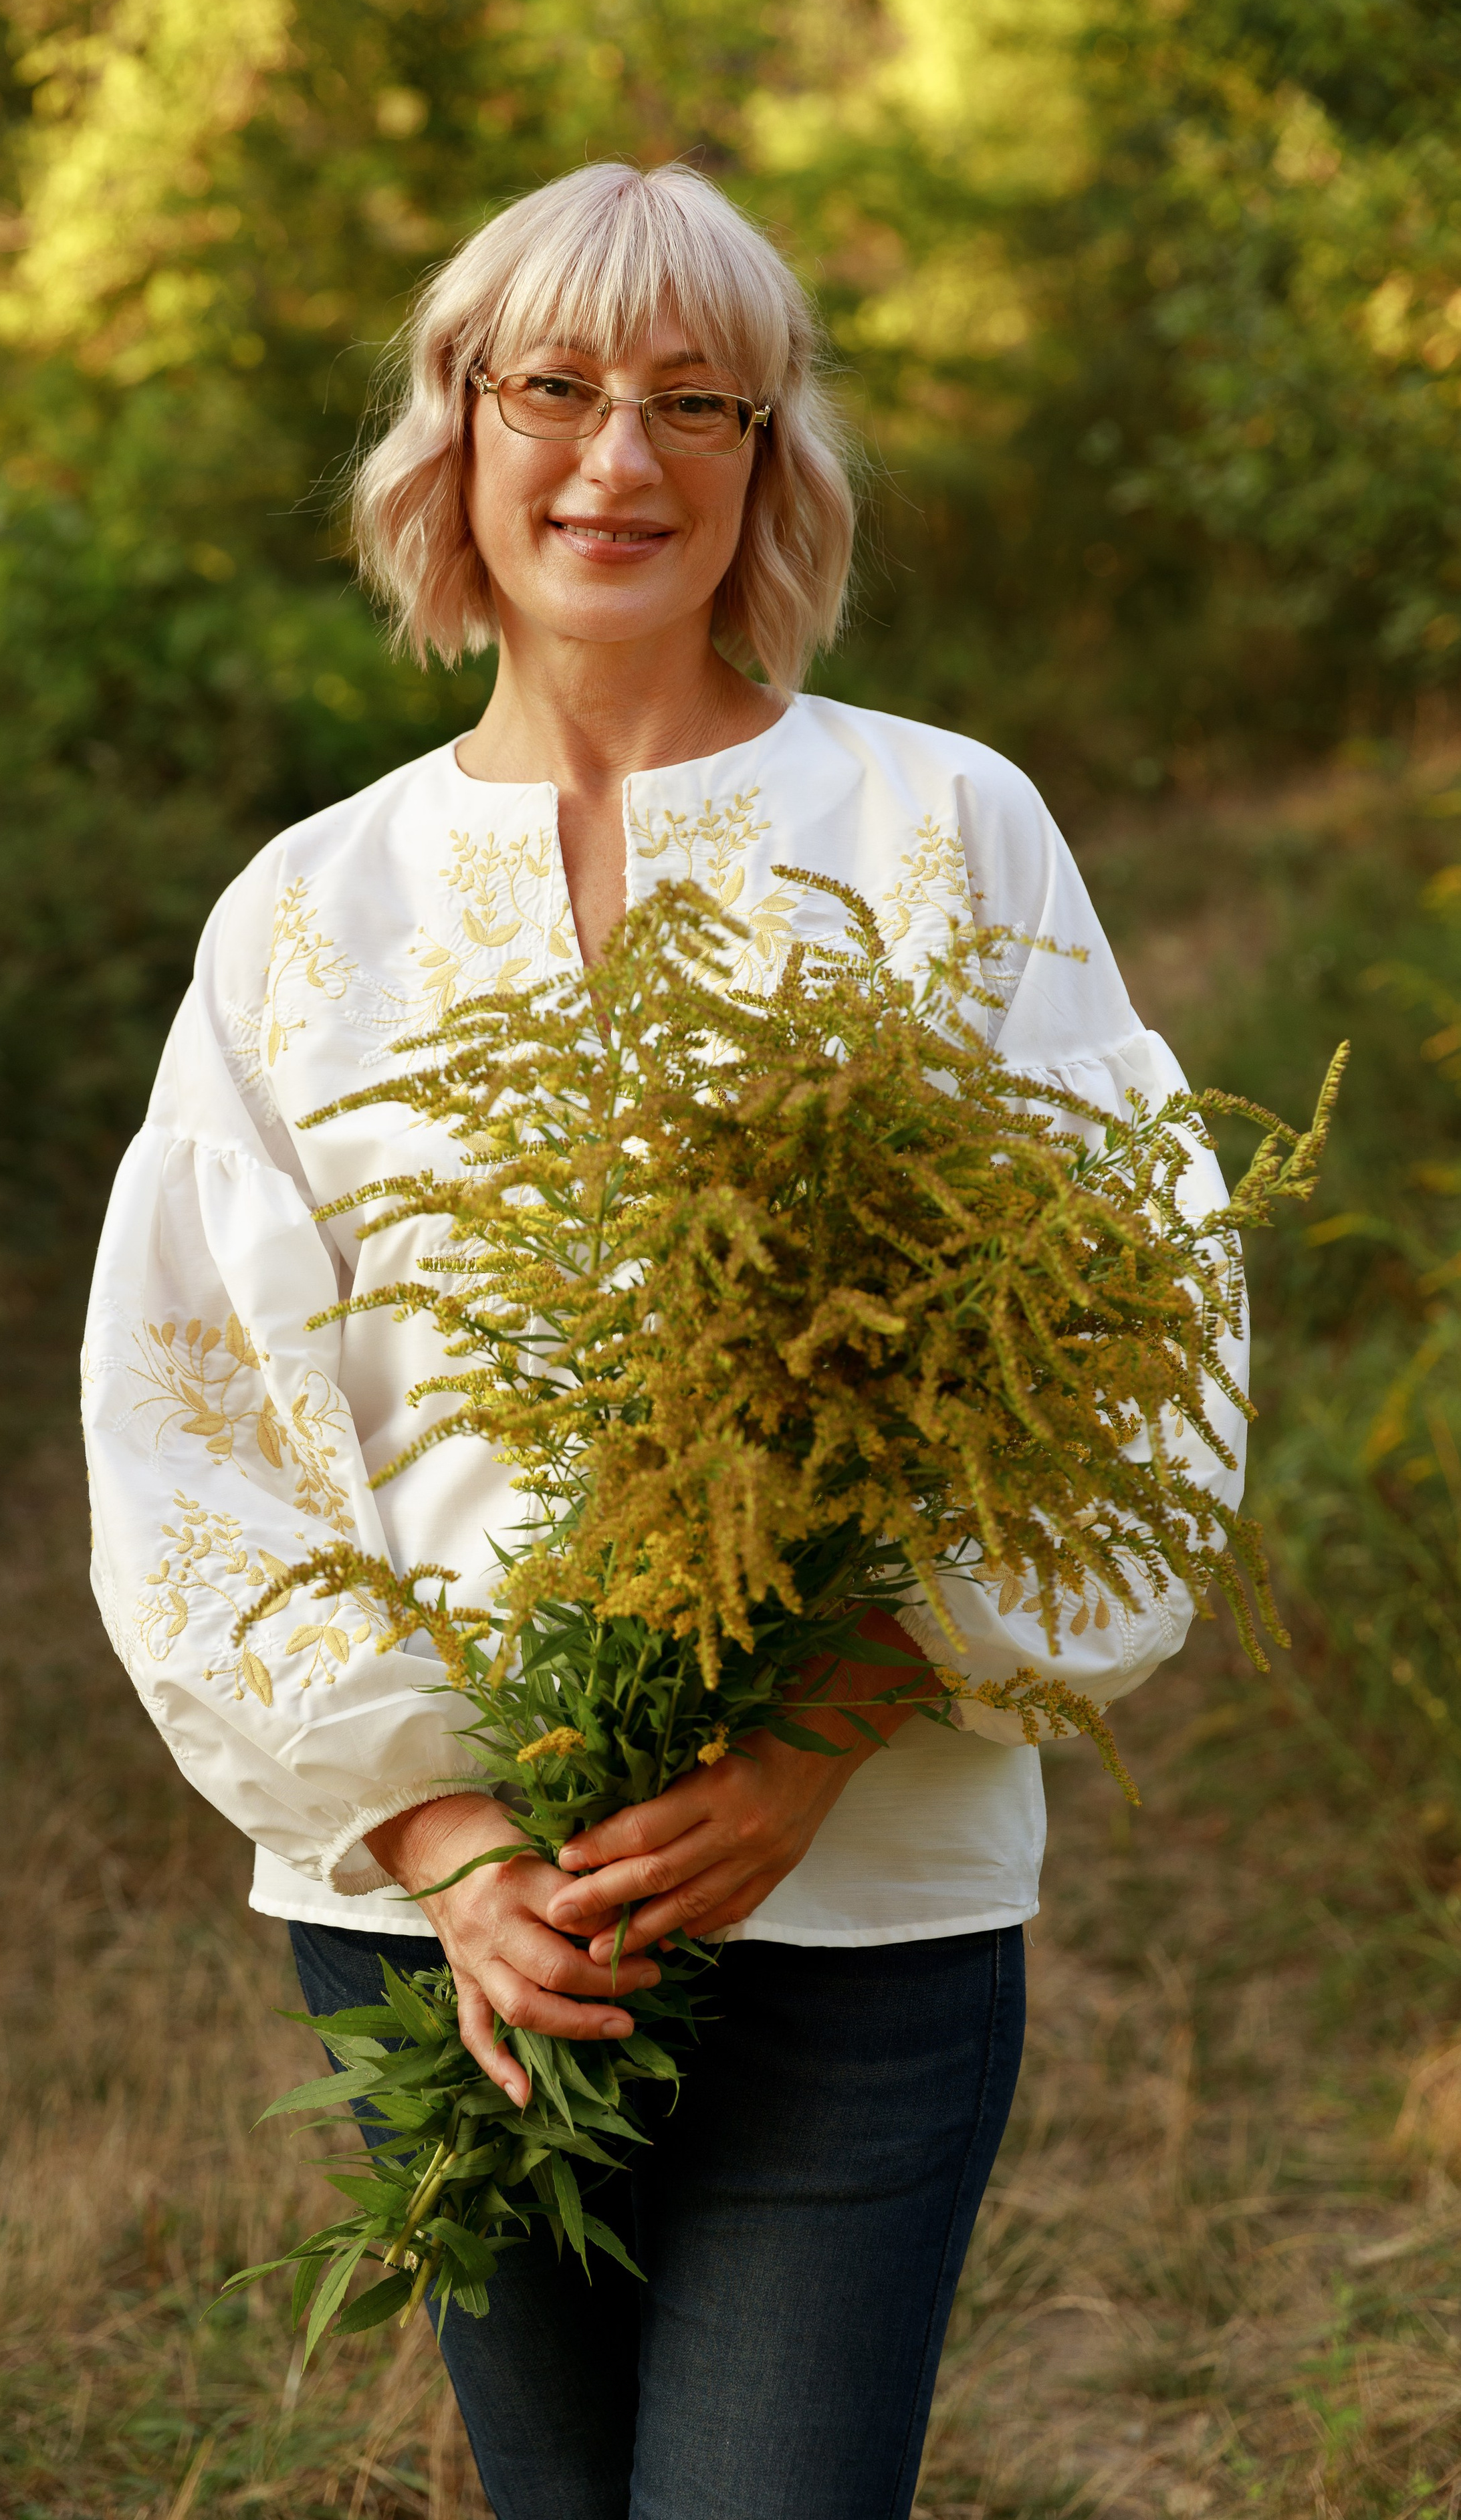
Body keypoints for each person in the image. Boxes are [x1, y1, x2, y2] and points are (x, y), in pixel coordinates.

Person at [82, 160, 1244, 2520]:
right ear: (457, 429)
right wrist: (441, 1833)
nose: (617, 461)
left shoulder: (943, 830)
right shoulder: (308, 908)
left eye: (693, 403)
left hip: (861, 1906)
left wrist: (818, 1731)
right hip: (451, 1945)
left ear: (766, 462)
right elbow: (188, 1409)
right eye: (559, 390)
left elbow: (1146, 1324)